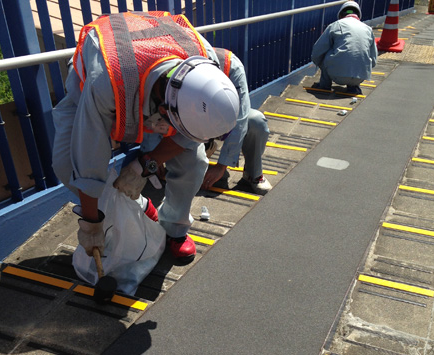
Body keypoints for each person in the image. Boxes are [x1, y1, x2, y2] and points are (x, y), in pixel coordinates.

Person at [52, 11, 242, 266]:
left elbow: (188, 137)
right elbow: (88, 154)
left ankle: (174, 228)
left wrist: (144, 166)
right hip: (93, 84)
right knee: (66, 164)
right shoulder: (106, 84)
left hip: (149, 78)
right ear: (164, 113)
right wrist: (90, 223)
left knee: (193, 163)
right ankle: (116, 214)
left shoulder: (205, 64)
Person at [200, 47, 272, 196]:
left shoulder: (231, 65)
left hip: (224, 118)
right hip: (198, 120)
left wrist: (221, 166)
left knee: (256, 121)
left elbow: (241, 117)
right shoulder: (180, 64)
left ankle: (253, 174)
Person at [311, 1, 378, 95]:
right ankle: (353, 87)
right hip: (360, 77)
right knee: (358, 51)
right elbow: (374, 59)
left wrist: (319, 63)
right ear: (358, 15)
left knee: (327, 51)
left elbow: (317, 51)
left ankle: (324, 85)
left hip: (337, 76)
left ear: (341, 14)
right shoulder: (368, 29)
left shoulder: (335, 25)